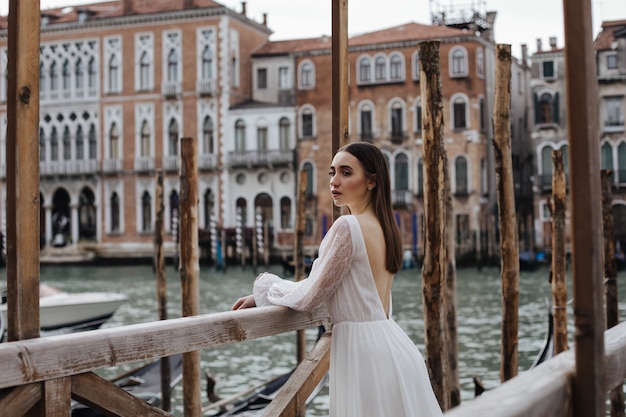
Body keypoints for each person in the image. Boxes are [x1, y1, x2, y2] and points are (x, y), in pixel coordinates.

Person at [232, 142, 443, 417]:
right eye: (332, 172)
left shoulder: (347, 226)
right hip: (393, 346)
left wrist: (265, 290)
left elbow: (311, 294)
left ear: (371, 181)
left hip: (363, 353)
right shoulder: (387, 227)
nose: (334, 181)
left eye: (346, 172)